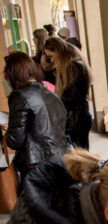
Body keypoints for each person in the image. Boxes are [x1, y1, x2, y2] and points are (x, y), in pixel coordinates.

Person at [4, 52, 67, 183]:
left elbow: (15, 141)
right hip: (60, 161)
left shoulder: (20, 96)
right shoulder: (52, 95)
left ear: (13, 75)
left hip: (36, 167)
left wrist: (9, 129)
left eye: (6, 77)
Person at [45, 37, 93, 149]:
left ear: (58, 50)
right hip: (79, 118)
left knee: (81, 159)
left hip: (77, 120)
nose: (51, 60)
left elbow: (71, 97)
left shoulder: (73, 66)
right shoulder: (74, 63)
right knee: (82, 156)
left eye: (51, 56)